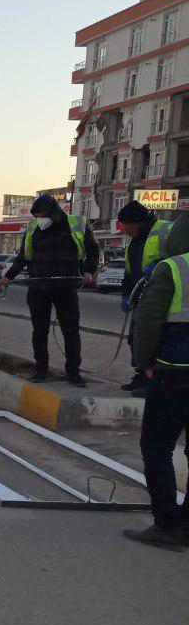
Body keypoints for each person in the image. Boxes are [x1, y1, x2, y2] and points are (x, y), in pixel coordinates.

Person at [125, 213, 189, 549]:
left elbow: (148, 324)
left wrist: (143, 363)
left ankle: (167, 525)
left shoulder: (173, 268)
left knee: (157, 448)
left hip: (175, 372)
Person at [0, 194, 100, 387]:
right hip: (38, 287)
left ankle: (73, 374)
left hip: (66, 287)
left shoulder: (76, 224)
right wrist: (7, 276)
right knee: (39, 331)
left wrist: (89, 271)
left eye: (42, 214)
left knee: (70, 331)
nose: (39, 218)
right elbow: (24, 257)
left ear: (53, 212)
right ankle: (41, 371)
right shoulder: (33, 228)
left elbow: (93, 250)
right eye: (36, 215)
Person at [115, 200, 174, 396]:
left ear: (136, 222)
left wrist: (158, 265)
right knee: (137, 338)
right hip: (141, 297)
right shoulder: (134, 242)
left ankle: (153, 381)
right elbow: (129, 272)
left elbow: (179, 256)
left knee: (154, 337)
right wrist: (126, 296)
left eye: (125, 225)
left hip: (162, 296)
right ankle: (141, 375)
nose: (123, 230)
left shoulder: (165, 230)